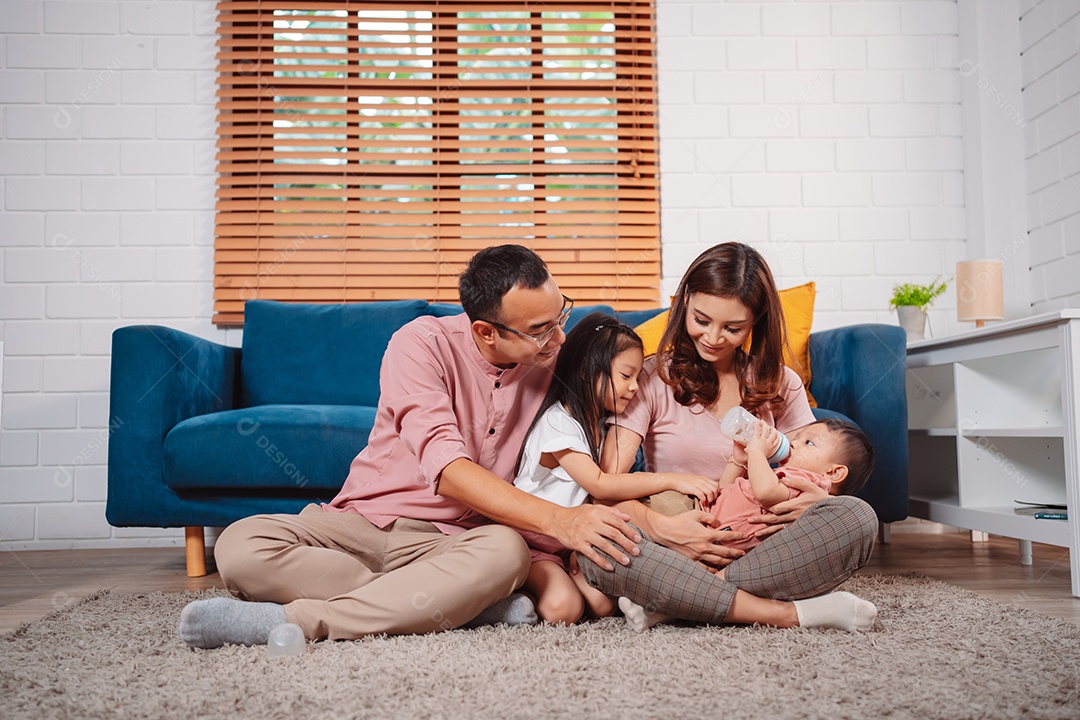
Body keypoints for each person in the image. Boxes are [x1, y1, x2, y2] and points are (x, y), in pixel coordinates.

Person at [178, 245, 643, 648]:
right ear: (486, 331)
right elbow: (447, 467)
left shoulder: (557, 363)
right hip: (356, 525)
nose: (559, 338)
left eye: (561, 315)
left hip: (452, 544)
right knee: (239, 546)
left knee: (506, 553)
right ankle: (444, 602)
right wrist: (562, 522)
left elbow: (643, 364)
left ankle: (301, 621)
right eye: (540, 329)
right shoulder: (420, 342)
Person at [574, 241, 880, 633]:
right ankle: (789, 613)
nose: (713, 338)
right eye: (701, 319)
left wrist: (819, 503)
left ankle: (681, 599)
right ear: (684, 301)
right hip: (675, 537)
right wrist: (661, 526)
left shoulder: (781, 384)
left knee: (858, 518)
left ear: (756, 323)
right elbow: (605, 490)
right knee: (597, 549)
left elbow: (810, 465)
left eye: (733, 328)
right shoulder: (649, 377)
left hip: (757, 543)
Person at [511, 312, 718, 625]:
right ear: (586, 370)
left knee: (603, 605)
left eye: (637, 378)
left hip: (569, 542)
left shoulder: (598, 425)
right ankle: (509, 598)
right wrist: (673, 479)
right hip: (534, 540)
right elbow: (601, 485)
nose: (635, 387)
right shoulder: (557, 423)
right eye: (626, 376)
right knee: (562, 610)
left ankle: (557, 578)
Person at [618, 417, 875, 631]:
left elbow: (765, 493)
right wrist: (738, 460)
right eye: (796, 438)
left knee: (628, 524)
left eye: (808, 442)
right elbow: (728, 492)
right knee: (625, 519)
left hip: (707, 527)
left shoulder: (801, 480)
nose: (793, 444)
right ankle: (669, 605)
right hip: (700, 514)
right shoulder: (780, 474)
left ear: (834, 473)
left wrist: (757, 452)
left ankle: (667, 603)